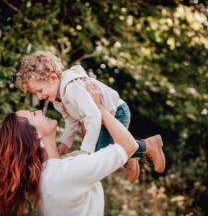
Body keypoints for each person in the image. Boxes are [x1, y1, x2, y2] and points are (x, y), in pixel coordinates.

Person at [0, 82, 165, 216]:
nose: (39, 111)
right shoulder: (62, 174)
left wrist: (87, 108)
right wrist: (100, 108)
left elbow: (91, 151)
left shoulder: (56, 169)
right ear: (35, 136)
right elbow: (128, 145)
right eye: (33, 114)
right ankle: (149, 145)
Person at [15, 51, 165, 183]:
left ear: (54, 78)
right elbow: (71, 121)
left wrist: (85, 150)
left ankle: (147, 145)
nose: (40, 96)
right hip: (102, 118)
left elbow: (93, 117)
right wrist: (65, 144)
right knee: (102, 152)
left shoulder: (72, 89)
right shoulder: (58, 101)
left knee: (99, 152)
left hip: (116, 112)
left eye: (40, 90)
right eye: (35, 93)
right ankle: (129, 157)